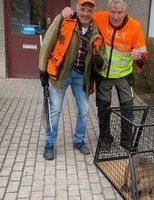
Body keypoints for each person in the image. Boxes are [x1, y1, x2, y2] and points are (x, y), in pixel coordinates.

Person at [62, 0, 148, 151]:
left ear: (125, 11)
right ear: (108, 10)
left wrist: (139, 57)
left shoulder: (135, 27)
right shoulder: (99, 18)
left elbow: (143, 54)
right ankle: (105, 139)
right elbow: (83, 16)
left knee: (127, 108)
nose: (116, 16)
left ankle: (126, 142)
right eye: (113, 12)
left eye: (119, 12)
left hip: (124, 75)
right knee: (103, 108)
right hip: (103, 74)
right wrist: (66, 12)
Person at [39, 0, 104, 160]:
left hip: (81, 76)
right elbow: (47, 42)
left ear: (93, 11)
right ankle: (49, 143)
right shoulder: (63, 20)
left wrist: (101, 61)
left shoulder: (95, 29)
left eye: (89, 10)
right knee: (55, 109)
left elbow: (102, 54)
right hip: (62, 73)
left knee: (84, 110)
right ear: (77, 8)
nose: (86, 13)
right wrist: (42, 68)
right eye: (83, 9)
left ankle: (78, 140)